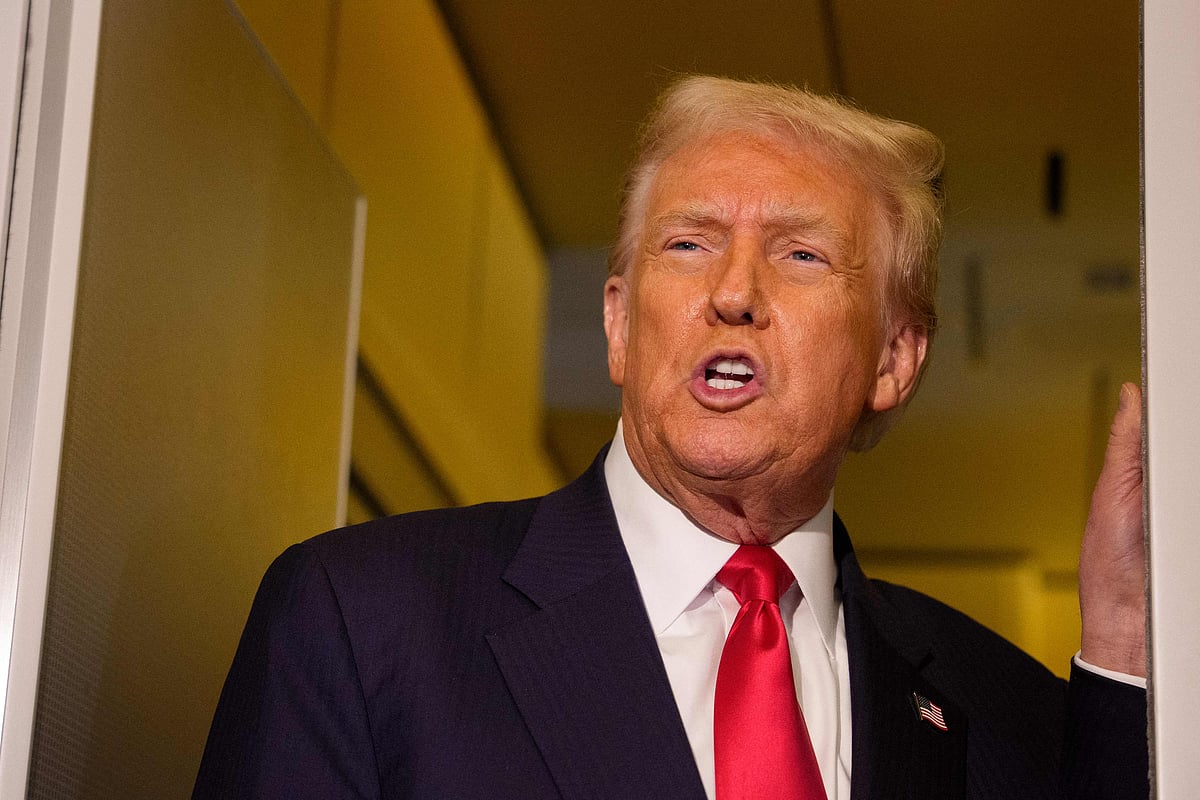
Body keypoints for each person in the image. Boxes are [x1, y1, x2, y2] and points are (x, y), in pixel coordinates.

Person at [193, 76, 1148, 799]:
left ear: (895, 358)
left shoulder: (1004, 709)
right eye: (687, 243)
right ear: (618, 323)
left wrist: (1125, 647)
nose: (732, 293)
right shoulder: (361, 620)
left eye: (801, 254)